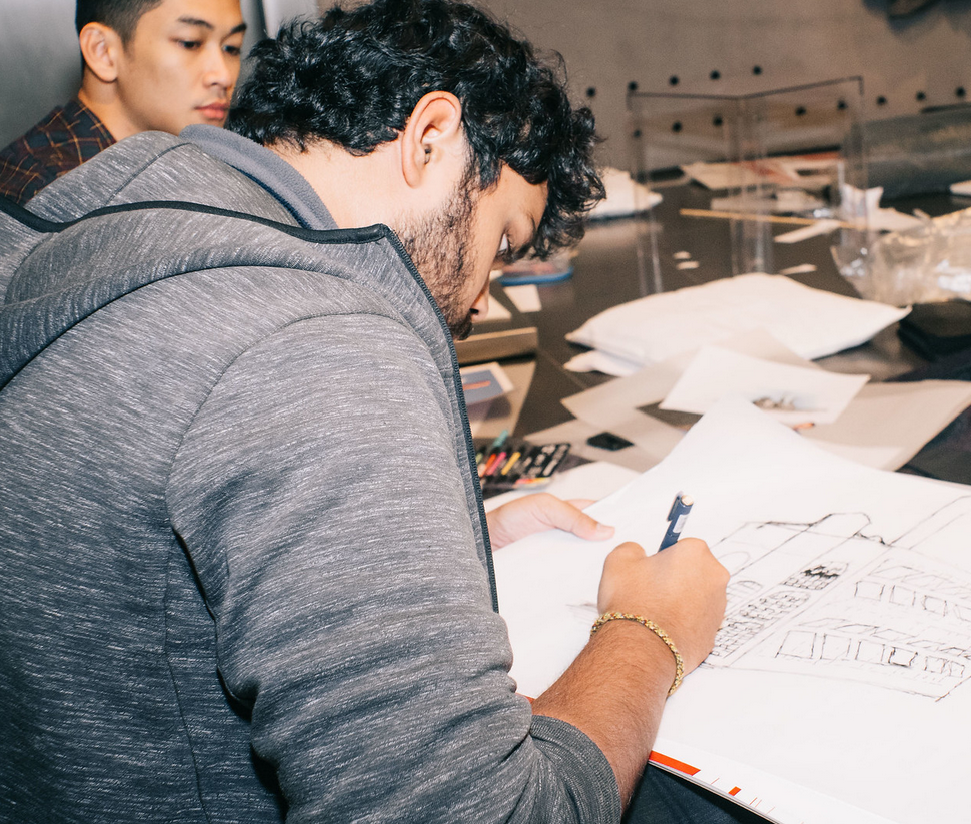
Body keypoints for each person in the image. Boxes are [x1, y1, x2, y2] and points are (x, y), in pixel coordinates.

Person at [0, 1, 745, 821]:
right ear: (430, 138)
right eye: (502, 241)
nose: (484, 302)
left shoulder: (89, 227)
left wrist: (411, 531)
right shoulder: (316, 343)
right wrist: (648, 629)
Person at [0, 0, 245, 204]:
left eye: (232, 48)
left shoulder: (202, 168)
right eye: (190, 43)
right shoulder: (46, 196)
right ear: (102, 51)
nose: (223, 76)